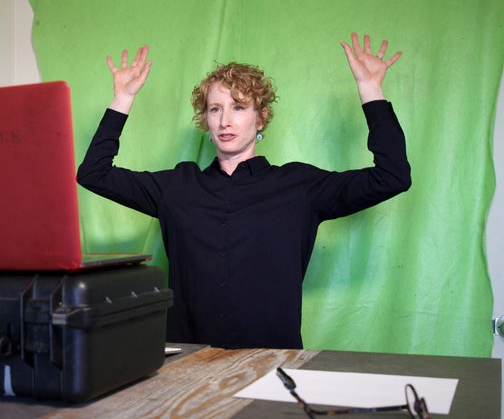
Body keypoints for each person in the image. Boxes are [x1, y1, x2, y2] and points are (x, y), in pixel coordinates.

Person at [77, 33, 411, 349]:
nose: (225, 121)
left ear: (261, 118)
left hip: (271, 365)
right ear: (205, 120)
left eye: (238, 108)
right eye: (215, 109)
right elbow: (94, 173)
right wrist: (123, 99)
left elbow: (392, 176)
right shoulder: (175, 187)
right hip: (187, 365)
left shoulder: (300, 188)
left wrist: (371, 91)